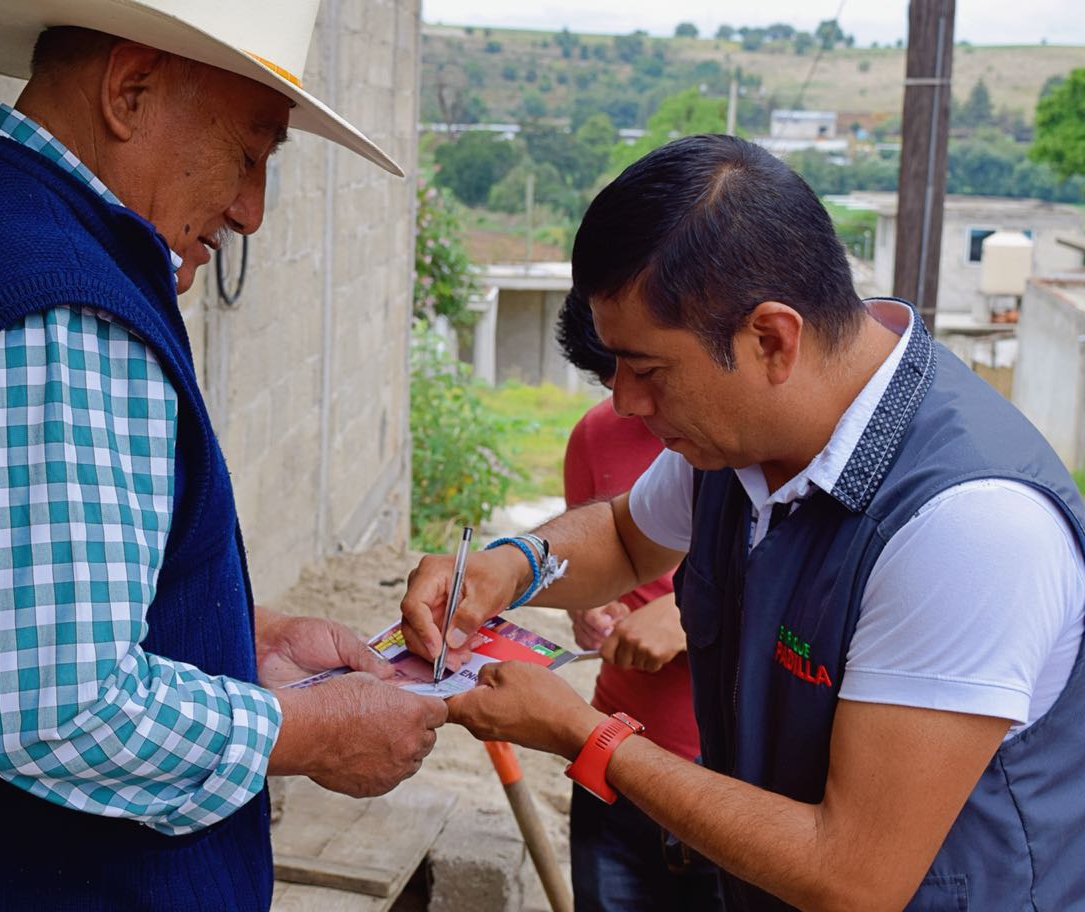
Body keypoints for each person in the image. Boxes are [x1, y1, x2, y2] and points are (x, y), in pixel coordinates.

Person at [0, 3, 446, 910]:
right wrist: (299, 734)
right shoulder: (58, 314)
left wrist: (227, 636)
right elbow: (58, 713)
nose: (252, 211)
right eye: (250, 153)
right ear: (130, 88)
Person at [402, 134, 1085, 911]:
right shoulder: (744, 447)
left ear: (771, 339)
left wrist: (587, 737)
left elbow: (852, 877)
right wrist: (511, 567)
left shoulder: (969, 528)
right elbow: (628, 537)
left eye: (647, 370)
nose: (624, 402)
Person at [556, 292, 721, 911]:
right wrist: (588, 611)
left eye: (645, 374)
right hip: (614, 748)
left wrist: (687, 610)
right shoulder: (596, 435)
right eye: (609, 381)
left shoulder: (740, 440)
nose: (630, 403)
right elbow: (604, 556)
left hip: (719, 773)